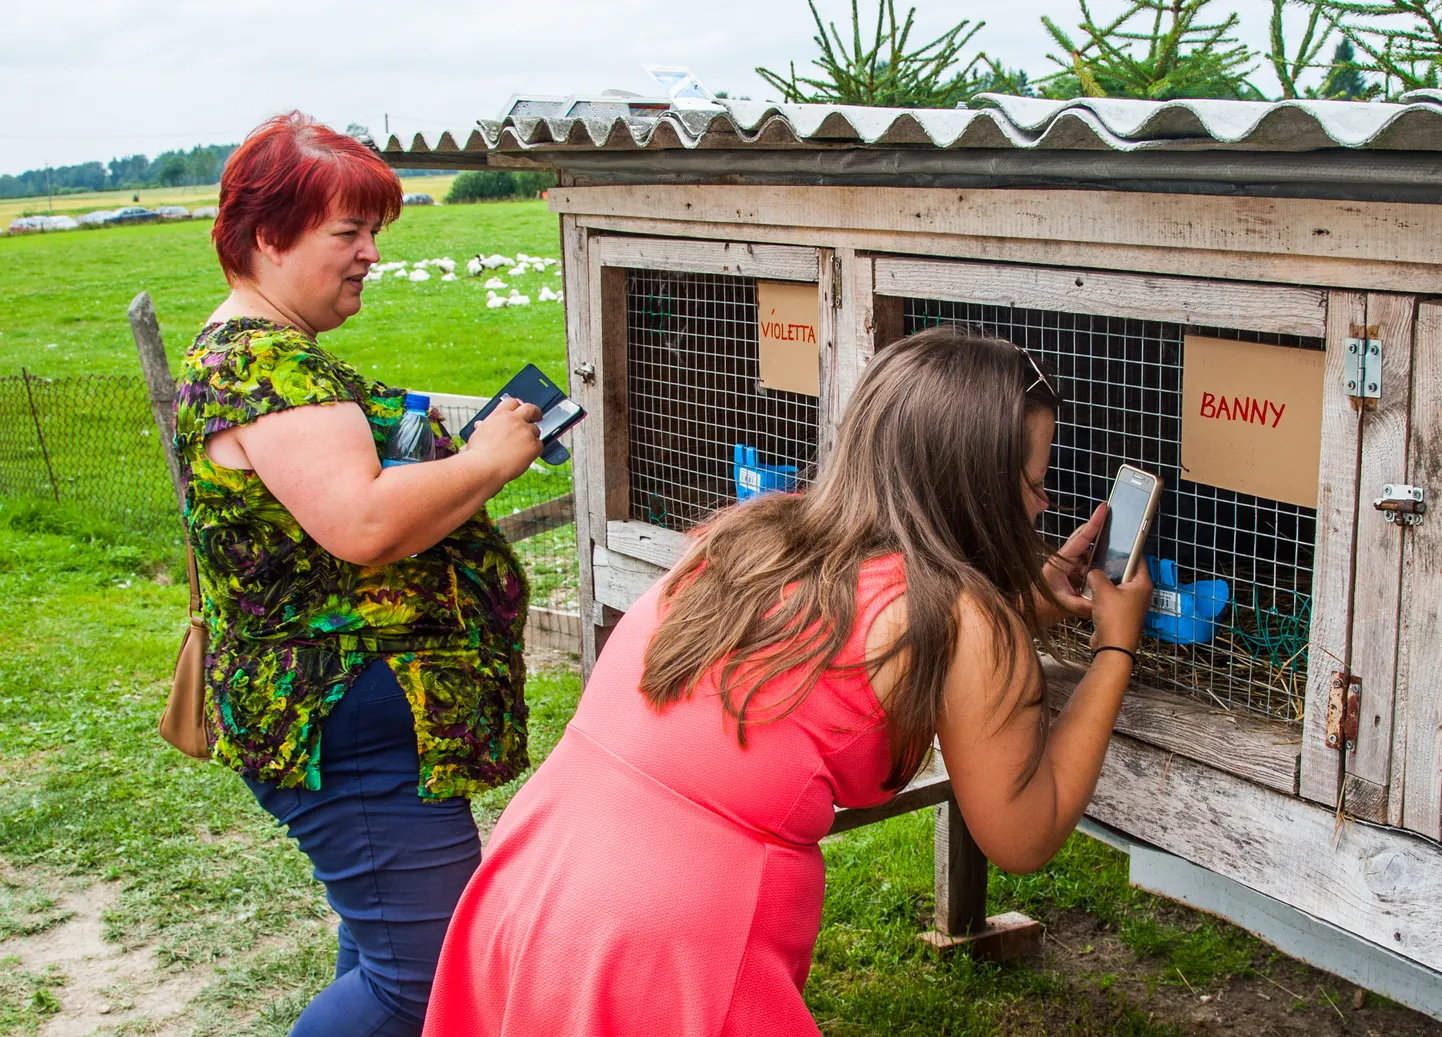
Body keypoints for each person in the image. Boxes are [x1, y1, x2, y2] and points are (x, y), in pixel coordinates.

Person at [421, 326, 1154, 1036]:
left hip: (536, 877)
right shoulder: (967, 623)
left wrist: (1017, 596)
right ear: (980, 487)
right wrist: (1114, 649)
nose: (1044, 504)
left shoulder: (755, 532)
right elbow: (1024, 834)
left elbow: (871, 618)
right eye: (1035, 480)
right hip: (667, 945)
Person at [172, 112, 544, 1037]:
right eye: (350, 232)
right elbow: (365, 523)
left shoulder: (264, 355)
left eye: (374, 230)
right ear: (267, 236)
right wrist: (491, 459)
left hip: (356, 720)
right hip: (345, 724)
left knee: (387, 950)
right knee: (427, 980)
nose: (371, 252)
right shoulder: (264, 367)